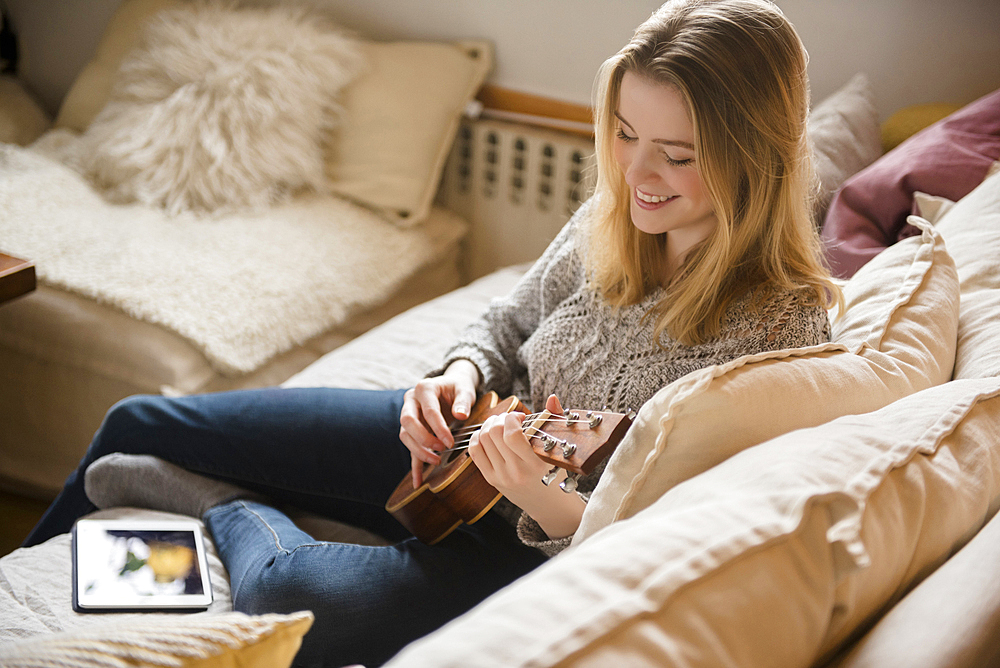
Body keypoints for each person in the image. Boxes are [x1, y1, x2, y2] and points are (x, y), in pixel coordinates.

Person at [25, 0, 842, 665]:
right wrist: (452, 375)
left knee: (291, 600)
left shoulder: (783, 327)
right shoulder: (616, 215)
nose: (635, 174)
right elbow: (505, 322)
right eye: (624, 136)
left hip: (523, 547)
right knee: (136, 419)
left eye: (677, 154)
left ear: (756, 156)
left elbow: (679, 534)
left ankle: (217, 502)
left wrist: (543, 501)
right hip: (460, 441)